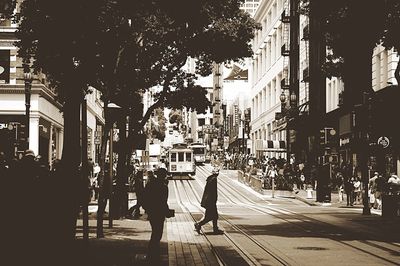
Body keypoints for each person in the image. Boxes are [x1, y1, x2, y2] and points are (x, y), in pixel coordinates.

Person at [142, 168, 173, 263]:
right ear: (164, 176)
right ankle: (152, 255)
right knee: (157, 234)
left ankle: (153, 254)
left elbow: (145, 197)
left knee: (155, 233)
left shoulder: (150, 184)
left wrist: (147, 209)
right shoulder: (163, 187)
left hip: (152, 212)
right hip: (159, 213)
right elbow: (163, 202)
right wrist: (167, 212)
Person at [194, 167, 223, 235]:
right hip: (210, 201)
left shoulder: (210, 178)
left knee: (214, 216)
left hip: (209, 201)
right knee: (210, 217)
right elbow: (213, 192)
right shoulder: (214, 179)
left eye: (218, 171)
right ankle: (198, 224)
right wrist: (213, 201)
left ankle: (215, 228)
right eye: (217, 172)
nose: (218, 173)